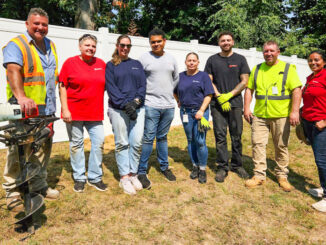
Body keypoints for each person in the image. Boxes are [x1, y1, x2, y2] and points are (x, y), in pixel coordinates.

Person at [2, 8, 59, 212]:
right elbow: (12, 70)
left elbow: (51, 78)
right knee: (18, 150)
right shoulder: (16, 45)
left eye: (44, 24)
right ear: (27, 24)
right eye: (36, 23)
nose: (40, 27)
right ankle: (13, 191)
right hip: (23, 108)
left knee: (42, 149)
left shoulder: (50, 45)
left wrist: (54, 109)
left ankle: (38, 185)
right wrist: (22, 96)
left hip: (46, 109)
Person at [244, 40, 302, 192]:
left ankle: (282, 175)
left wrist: (295, 111)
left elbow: (297, 90)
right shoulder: (257, 69)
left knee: (281, 146)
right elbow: (249, 90)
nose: (268, 54)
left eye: (271, 51)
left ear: (278, 52)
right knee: (258, 144)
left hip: (281, 116)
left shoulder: (288, 68)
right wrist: (246, 108)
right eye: (266, 51)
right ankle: (259, 176)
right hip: (260, 115)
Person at [59, 34, 107, 192]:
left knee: (99, 143)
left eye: (93, 46)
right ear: (80, 46)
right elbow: (62, 86)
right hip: (74, 113)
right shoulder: (69, 63)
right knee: (76, 145)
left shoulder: (101, 64)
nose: (90, 48)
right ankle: (79, 177)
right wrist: (65, 109)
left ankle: (95, 177)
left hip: (94, 113)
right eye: (87, 45)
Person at [204, 31, 250, 183]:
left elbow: (245, 81)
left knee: (236, 135)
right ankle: (222, 167)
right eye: (223, 40)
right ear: (219, 43)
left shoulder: (240, 59)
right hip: (217, 105)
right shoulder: (212, 60)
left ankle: (237, 165)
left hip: (235, 104)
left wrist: (229, 95)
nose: (226, 43)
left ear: (233, 42)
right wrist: (219, 96)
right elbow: (208, 81)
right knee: (220, 136)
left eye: (228, 40)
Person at [137, 28, 179, 189]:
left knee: (162, 137)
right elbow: (139, 79)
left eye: (158, 41)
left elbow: (175, 79)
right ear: (150, 43)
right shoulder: (144, 58)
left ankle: (164, 167)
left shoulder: (171, 59)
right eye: (153, 42)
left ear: (164, 41)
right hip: (150, 105)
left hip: (168, 106)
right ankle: (142, 171)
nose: (156, 44)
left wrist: (169, 94)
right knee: (148, 138)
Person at [105, 35, 146, 195]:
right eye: (122, 45)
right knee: (122, 143)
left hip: (137, 109)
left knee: (136, 142)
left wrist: (135, 103)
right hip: (118, 110)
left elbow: (142, 86)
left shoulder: (137, 64)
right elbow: (111, 88)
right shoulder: (111, 65)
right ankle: (124, 177)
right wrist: (125, 105)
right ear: (117, 45)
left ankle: (133, 174)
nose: (125, 48)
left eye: (128, 46)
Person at [174, 52, 214, 183]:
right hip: (185, 112)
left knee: (201, 141)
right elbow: (174, 91)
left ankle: (202, 169)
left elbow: (209, 95)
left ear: (198, 62)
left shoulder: (203, 76)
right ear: (185, 62)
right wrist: (178, 101)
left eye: (194, 60)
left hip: (201, 113)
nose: (191, 62)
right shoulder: (180, 76)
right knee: (190, 139)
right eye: (189, 60)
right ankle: (195, 166)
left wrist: (202, 110)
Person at [301, 50, 326, 212]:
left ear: (324, 61)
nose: (313, 63)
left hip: (321, 124)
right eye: (310, 60)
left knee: (322, 160)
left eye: (316, 60)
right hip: (309, 123)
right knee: (319, 158)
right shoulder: (310, 78)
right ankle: (324, 188)